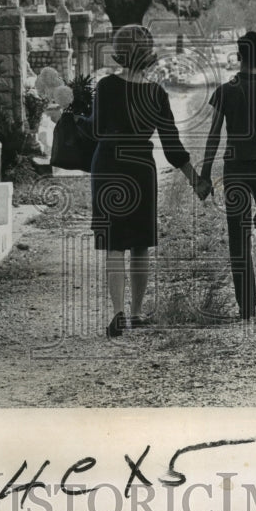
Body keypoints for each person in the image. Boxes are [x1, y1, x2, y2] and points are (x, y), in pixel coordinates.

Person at [85, 24, 208, 338]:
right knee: (139, 244)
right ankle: (137, 312)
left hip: (109, 166)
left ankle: (118, 312)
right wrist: (196, 181)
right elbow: (172, 146)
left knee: (114, 244)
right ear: (149, 54)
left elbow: (96, 130)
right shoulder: (156, 92)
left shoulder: (106, 87)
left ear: (120, 52)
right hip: (141, 168)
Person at [198, 31, 256, 319]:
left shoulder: (225, 91)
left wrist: (204, 174)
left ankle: (246, 304)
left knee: (239, 235)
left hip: (235, 170)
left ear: (238, 56)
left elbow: (214, 134)